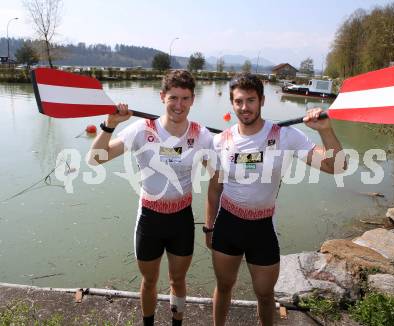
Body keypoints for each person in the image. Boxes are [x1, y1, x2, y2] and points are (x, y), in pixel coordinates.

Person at [204, 73, 346, 326]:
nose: (244, 107)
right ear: (231, 103)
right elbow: (215, 189)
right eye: (238, 101)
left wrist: (326, 131)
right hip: (228, 225)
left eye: (250, 100)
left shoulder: (285, 136)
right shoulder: (220, 141)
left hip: (262, 228)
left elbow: (335, 167)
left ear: (261, 101)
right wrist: (208, 227)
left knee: (265, 293)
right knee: (224, 286)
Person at [89, 70, 213, 326]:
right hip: (149, 219)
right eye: (173, 98)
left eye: (185, 99)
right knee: (149, 281)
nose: (179, 105)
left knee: (177, 281)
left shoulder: (202, 136)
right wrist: (109, 124)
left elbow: (222, 175)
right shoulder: (141, 130)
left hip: (181, 220)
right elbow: (95, 159)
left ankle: (176, 323)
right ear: (162, 97)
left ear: (192, 100)